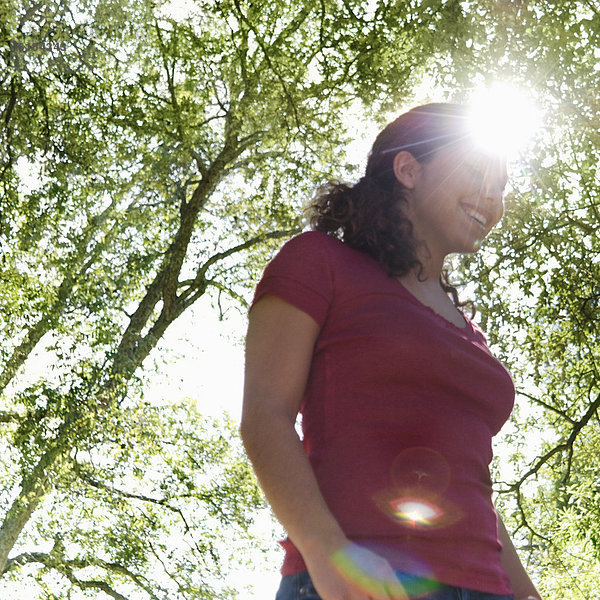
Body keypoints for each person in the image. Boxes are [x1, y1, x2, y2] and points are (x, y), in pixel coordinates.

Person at [240, 103, 542, 600]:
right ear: (407, 169)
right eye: (476, 171)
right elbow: (265, 415)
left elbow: (472, 489)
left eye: (501, 186)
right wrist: (327, 551)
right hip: (364, 578)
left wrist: (528, 595)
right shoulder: (319, 262)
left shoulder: (469, 332)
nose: (492, 196)